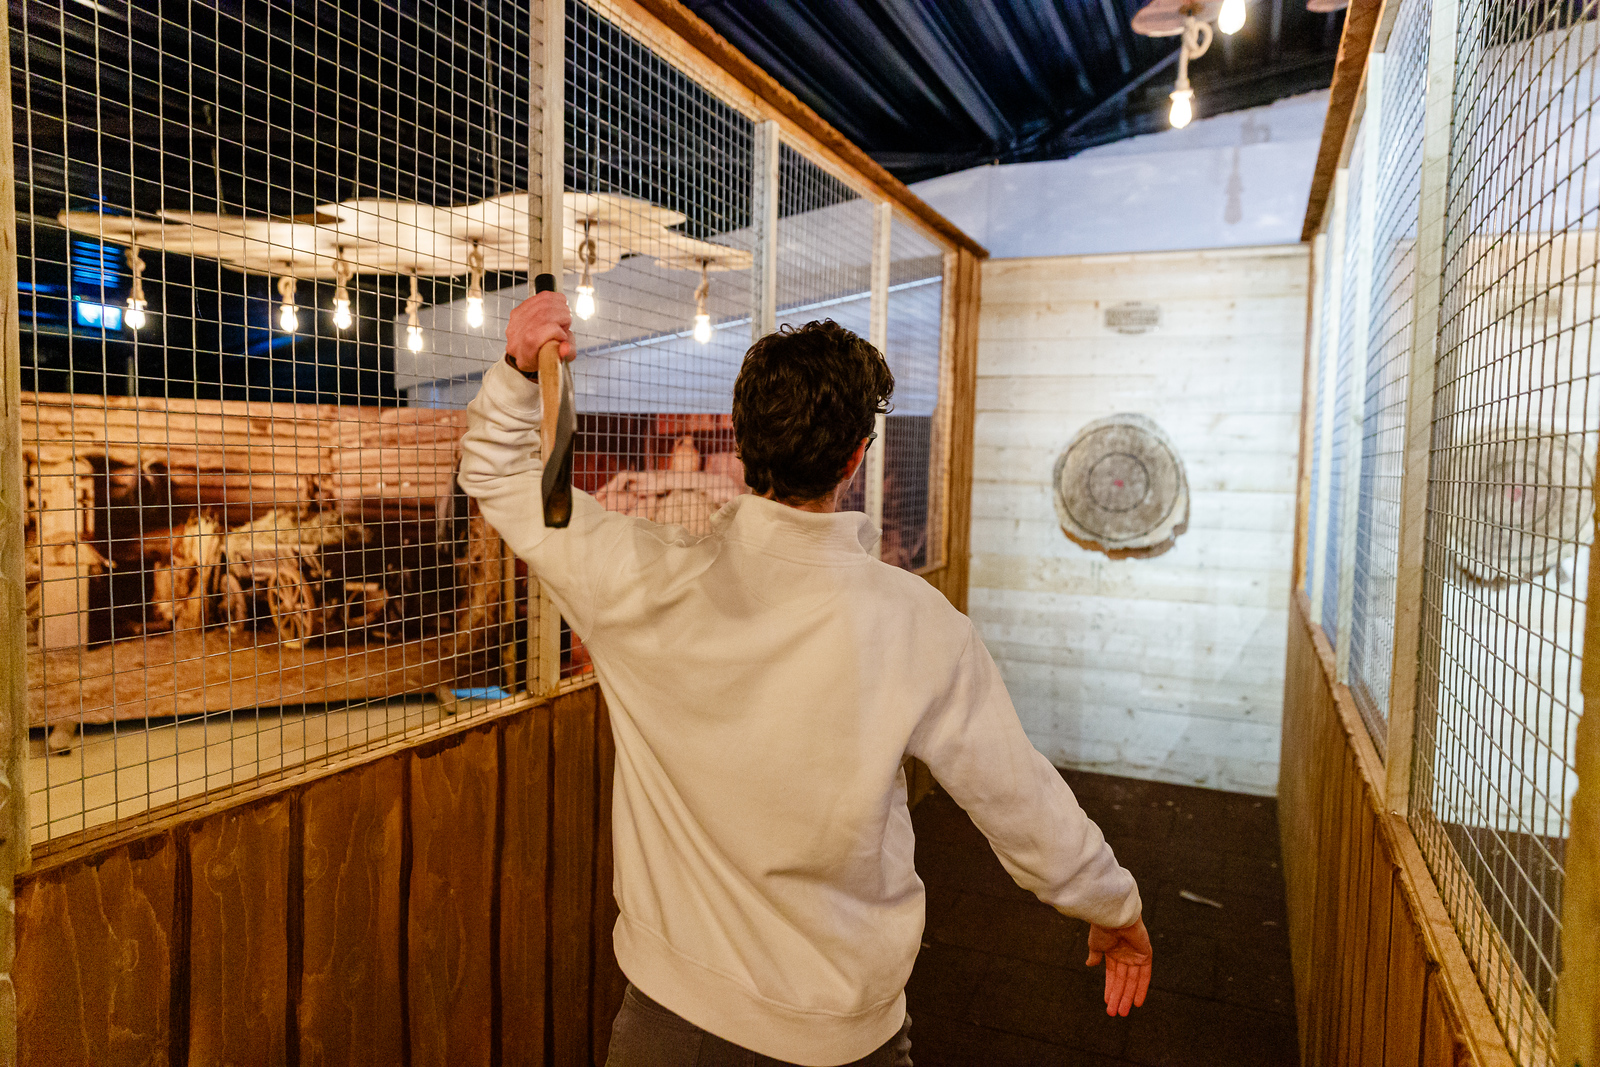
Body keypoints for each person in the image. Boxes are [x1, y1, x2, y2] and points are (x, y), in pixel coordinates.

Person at [459, 289, 1153, 1067]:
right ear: (855, 457)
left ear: (742, 441)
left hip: (670, 1025)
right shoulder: (919, 623)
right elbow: (1017, 796)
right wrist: (1111, 903)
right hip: (844, 1037)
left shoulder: (635, 578)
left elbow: (495, 473)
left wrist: (520, 371)